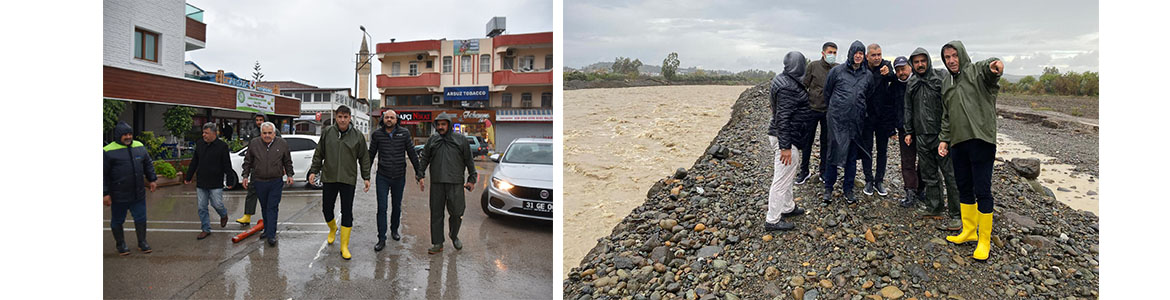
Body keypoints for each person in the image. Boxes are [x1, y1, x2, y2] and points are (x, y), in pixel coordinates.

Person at [938, 40, 1004, 261]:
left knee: (982, 190)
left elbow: (989, 71)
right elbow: (946, 114)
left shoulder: (976, 72)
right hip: (958, 143)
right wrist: (944, 140)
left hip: (981, 140)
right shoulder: (946, 82)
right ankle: (968, 231)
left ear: (962, 54)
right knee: (963, 187)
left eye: (954, 55)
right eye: (947, 57)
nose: (951, 60)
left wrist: (994, 66)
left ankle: (984, 240)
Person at [904, 48, 962, 231]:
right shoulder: (911, 82)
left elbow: (951, 105)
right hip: (921, 136)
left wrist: (948, 133)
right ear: (912, 64)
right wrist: (908, 131)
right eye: (916, 62)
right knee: (929, 174)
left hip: (941, 136)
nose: (920, 64)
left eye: (923, 60)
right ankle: (934, 205)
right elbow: (908, 108)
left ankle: (956, 213)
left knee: (950, 175)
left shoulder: (941, 77)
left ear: (928, 60)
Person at [308, 105, 372, 260]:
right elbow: (319, 154)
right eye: (340, 117)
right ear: (336, 117)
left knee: (347, 211)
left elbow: (364, 158)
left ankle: (344, 246)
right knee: (326, 209)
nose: (342, 120)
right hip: (329, 177)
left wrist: (366, 177)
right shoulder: (328, 133)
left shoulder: (357, 136)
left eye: (345, 117)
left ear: (350, 118)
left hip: (348, 179)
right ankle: (332, 228)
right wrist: (313, 170)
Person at [764, 51, 816, 231]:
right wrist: (785, 146)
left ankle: (787, 207)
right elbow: (783, 118)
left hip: (784, 136)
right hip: (786, 138)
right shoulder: (788, 87)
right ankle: (772, 219)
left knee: (787, 175)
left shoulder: (783, 79)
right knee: (781, 178)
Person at [822, 40, 875, 205]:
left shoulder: (868, 75)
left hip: (856, 122)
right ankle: (828, 187)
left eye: (861, 53)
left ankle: (848, 189)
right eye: (855, 52)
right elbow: (827, 93)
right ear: (850, 53)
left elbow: (869, 94)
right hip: (837, 121)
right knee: (833, 153)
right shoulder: (837, 72)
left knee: (852, 156)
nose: (858, 56)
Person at [417, 113, 477, 254]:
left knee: (457, 212)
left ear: (449, 125)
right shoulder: (433, 140)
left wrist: (472, 179)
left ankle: (454, 235)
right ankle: (438, 243)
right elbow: (424, 158)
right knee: (436, 214)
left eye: (443, 124)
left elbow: (469, 160)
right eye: (438, 124)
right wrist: (420, 175)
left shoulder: (460, 140)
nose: (440, 127)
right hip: (437, 183)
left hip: (456, 183)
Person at [369, 110, 424, 251]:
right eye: (387, 117)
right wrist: (366, 175)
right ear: (383, 119)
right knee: (382, 208)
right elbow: (370, 155)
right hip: (382, 176)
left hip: (399, 176)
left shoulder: (404, 133)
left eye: (392, 117)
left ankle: (394, 230)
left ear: (396, 119)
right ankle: (381, 238)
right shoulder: (377, 134)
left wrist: (420, 174)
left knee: (397, 206)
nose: (389, 119)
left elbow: (412, 153)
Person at [104, 122, 158, 255]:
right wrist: (105, 193)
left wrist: (152, 179)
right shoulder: (108, 151)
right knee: (117, 220)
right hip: (118, 195)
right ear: (118, 136)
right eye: (125, 135)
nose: (128, 137)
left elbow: (147, 164)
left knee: (141, 218)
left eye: (130, 134)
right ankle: (121, 244)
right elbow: (102, 174)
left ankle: (142, 242)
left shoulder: (139, 146)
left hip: (138, 193)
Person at [241, 122, 294, 246]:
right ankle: (267, 230)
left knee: (272, 207)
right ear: (261, 134)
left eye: (270, 133)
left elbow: (287, 161)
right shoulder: (254, 143)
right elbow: (248, 161)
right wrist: (245, 176)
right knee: (264, 207)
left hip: (275, 181)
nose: (267, 135)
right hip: (259, 181)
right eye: (264, 133)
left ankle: (271, 235)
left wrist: (290, 175)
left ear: (274, 133)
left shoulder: (282, 144)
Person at [184, 123, 235, 239]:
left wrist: (230, 181)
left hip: (216, 182)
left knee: (217, 204)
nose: (204, 135)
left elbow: (227, 164)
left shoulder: (222, 146)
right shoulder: (200, 144)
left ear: (214, 133)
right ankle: (205, 229)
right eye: (203, 132)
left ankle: (223, 215)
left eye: (206, 133)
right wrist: (188, 176)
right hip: (201, 182)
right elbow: (194, 161)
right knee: (202, 207)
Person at [859, 43, 897, 197]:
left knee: (882, 150)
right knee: (866, 149)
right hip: (867, 116)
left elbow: (893, 78)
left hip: (882, 117)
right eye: (873, 55)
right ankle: (868, 179)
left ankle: (879, 180)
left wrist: (887, 73)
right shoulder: (861, 68)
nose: (876, 58)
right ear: (867, 56)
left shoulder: (886, 66)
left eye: (879, 55)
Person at [799, 42, 838, 184]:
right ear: (823, 53)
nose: (832, 55)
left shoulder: (837, 68)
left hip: (829, 111)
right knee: (807, 141)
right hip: (812, 109)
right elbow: (804, 85)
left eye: (834, 53)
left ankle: (823, 171)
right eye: (830, 52)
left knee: (826, 143)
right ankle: (804, 170)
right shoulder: (813, 66)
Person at [235, 114, 276, 225]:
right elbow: (250, 153)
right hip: (256, 168)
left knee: (269, 198)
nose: (258, 122)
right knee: (251, 192)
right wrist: (246, 173)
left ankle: (269, 220)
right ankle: (247, 215)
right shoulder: (253, 133)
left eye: (261, 120)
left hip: (270, 170)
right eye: (257, 120)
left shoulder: (273, 131)